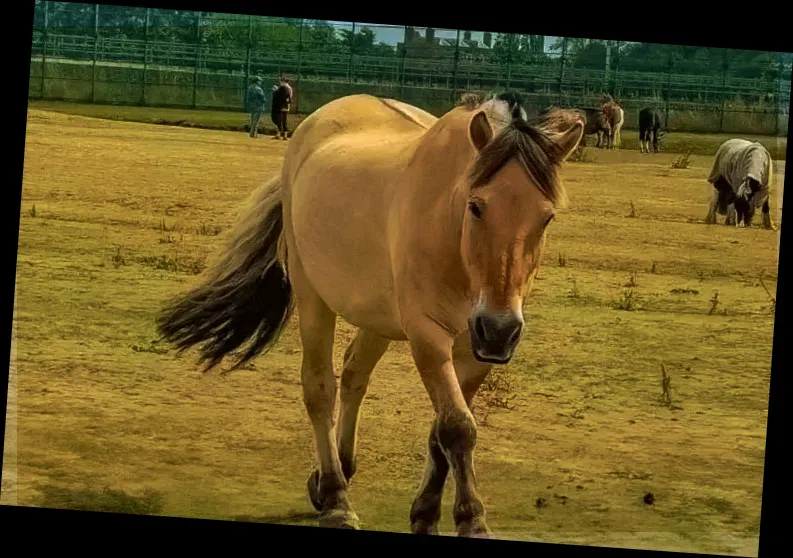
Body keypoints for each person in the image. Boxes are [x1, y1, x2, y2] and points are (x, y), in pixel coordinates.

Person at [270, 76, 292, 140]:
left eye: (281, 81)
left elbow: (279, 97)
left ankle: (279, 134)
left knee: (279, 121)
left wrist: (275, 90)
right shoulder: (289, 88)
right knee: (284, 121)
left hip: (280, 107)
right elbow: (289, 98)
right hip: (286, 107)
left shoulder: (282, 88)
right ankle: (285, 135)